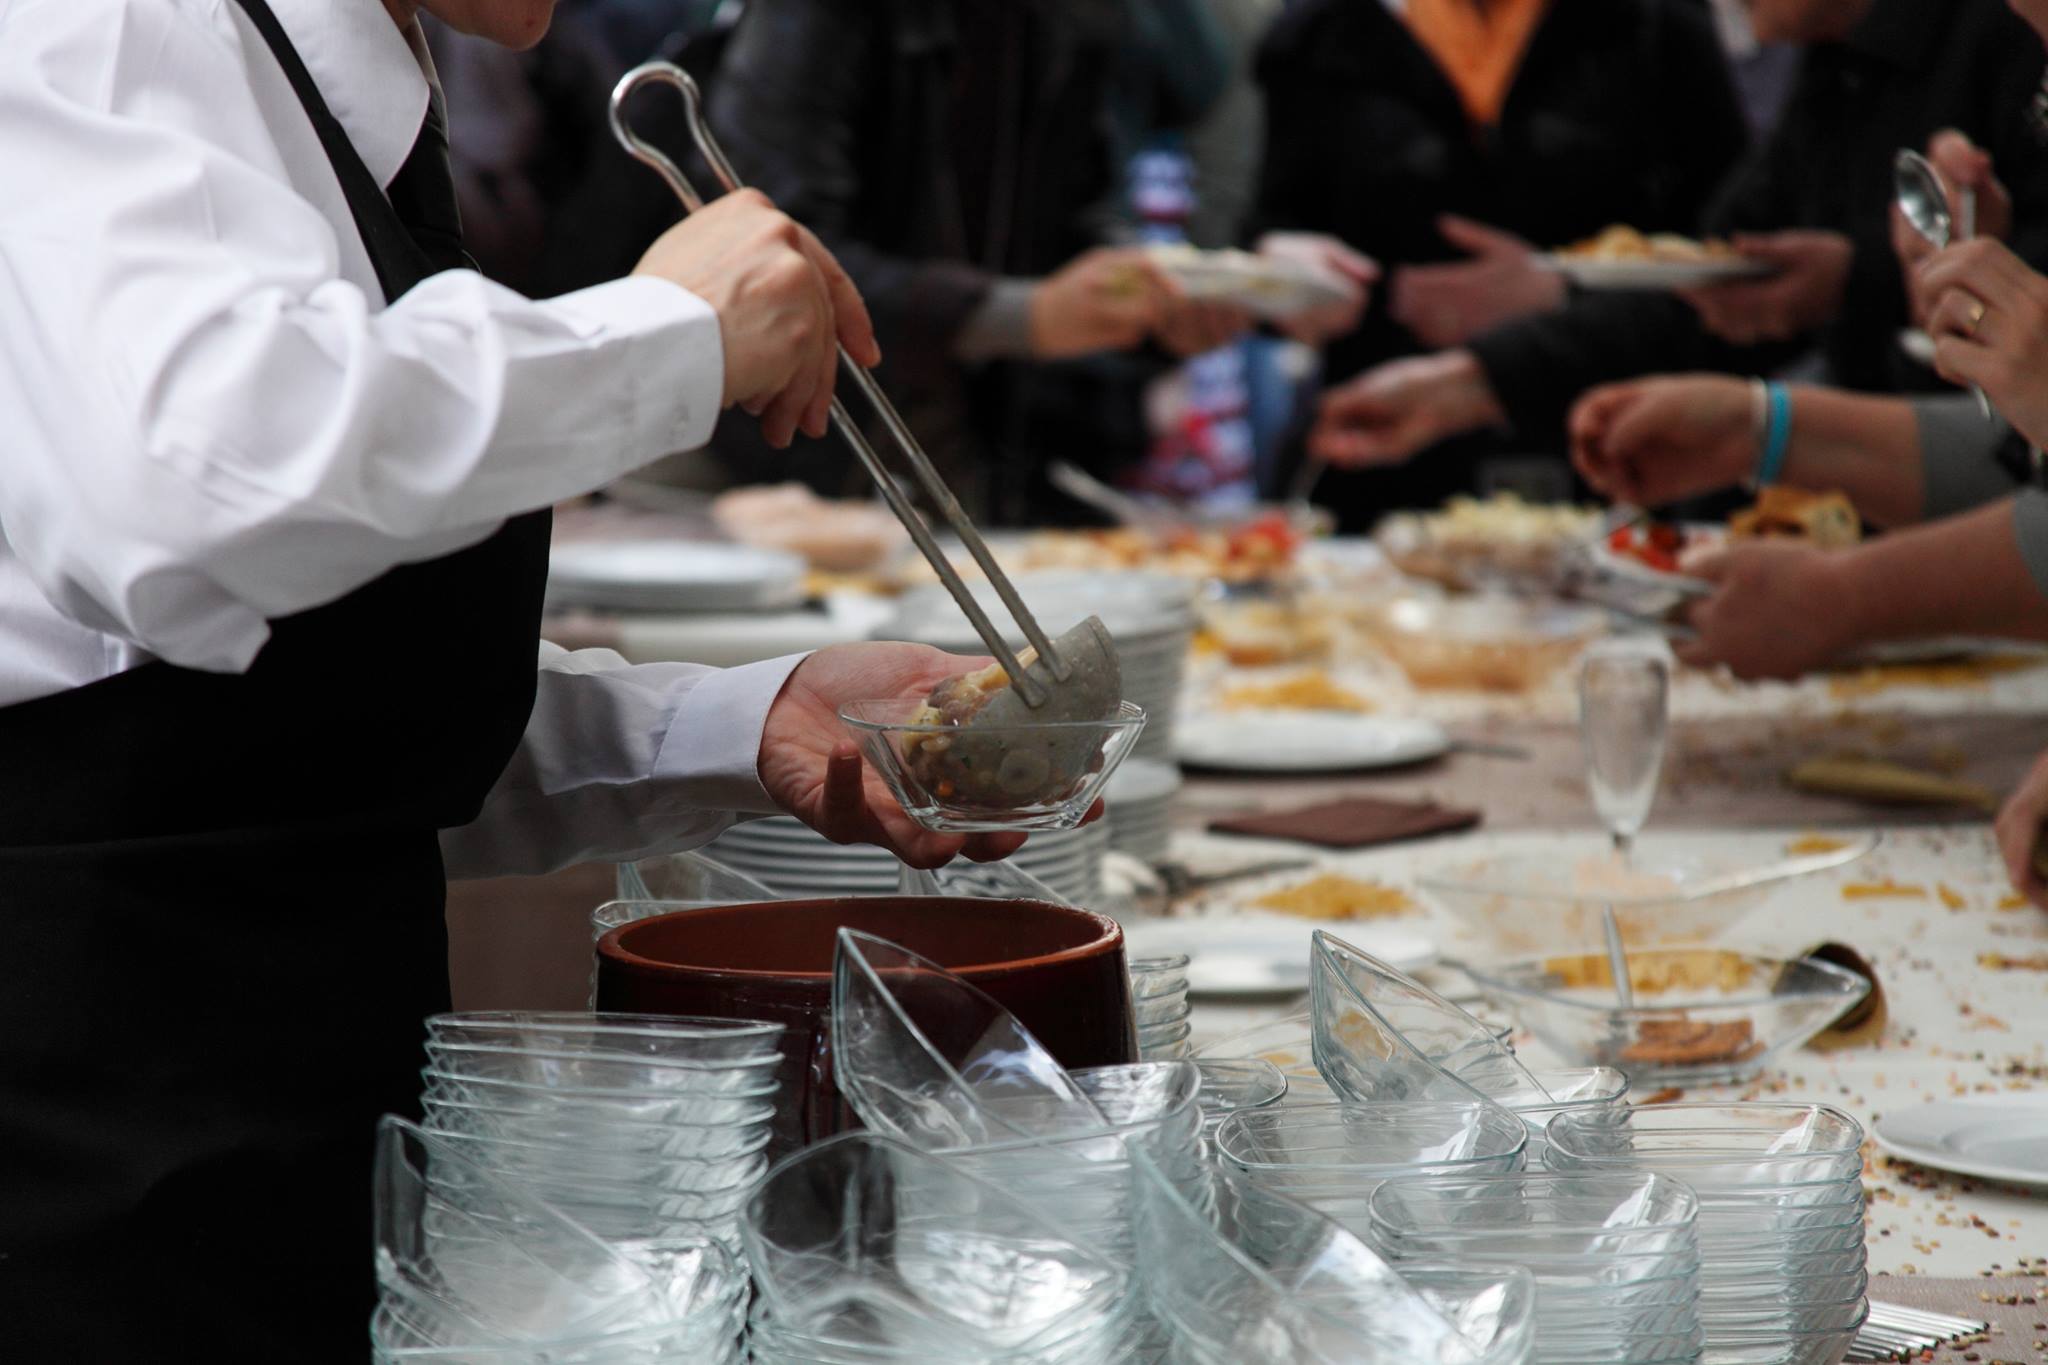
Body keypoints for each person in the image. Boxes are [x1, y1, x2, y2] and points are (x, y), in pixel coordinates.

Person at [0, 0, 1018, 1354]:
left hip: (264, 1126)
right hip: (88, 1158)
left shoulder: (335, 90)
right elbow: (203, 481)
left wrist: (737, 721)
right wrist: (670, 334)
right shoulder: (115, 23)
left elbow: (271, 715)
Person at [1311, 0, 2048, 492]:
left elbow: (2020, 418)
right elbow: (1701, 286)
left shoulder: (2000, 43)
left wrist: (1864, 283)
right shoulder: (1832, 60)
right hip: (1925, 519)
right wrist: (1463, 383)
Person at [705, 0, 1369, 523]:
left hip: (975, 467)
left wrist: (1182, 292)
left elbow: (1080, 219)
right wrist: (1026, 316)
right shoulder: (822, 16)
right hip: (790, 471)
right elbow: (769, 256)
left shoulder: (1063, 21)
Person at [1251, 0, 1749, 518]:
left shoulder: (1653, 23)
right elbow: (1272, 226)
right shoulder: (1323, 29)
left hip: (1611, 454)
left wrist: (1561, 290)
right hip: (1383, 456)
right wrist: (1289, 275)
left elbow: (1738, 274)